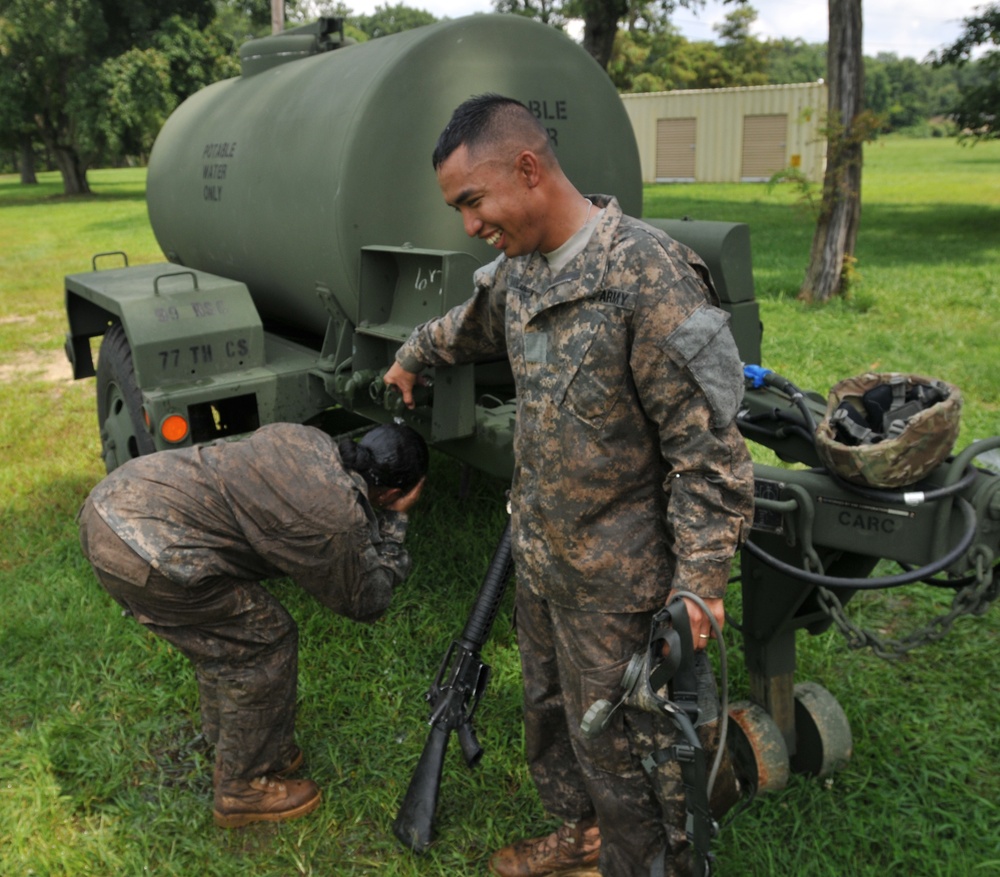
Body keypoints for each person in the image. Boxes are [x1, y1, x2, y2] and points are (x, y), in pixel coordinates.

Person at [383, 94, 755, 876]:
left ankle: (639, 859)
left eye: (472, 202)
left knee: (629, 756)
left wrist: (700, 582)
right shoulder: (519, 273)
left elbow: (711, 451)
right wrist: (414, 352)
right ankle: (580, 835)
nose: (469, 225)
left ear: (527, 168)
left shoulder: (650, 277)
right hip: (541, 559)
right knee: (548, 717)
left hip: (620, 585)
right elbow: (469, 324)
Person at [78, 421, 428, 828]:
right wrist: (395, 522)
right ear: (389, 492)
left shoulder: (308, 439)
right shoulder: (337, 518)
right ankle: (242, 788)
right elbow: (368, 601)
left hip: (113, 502)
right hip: (147, 544)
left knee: (223, 640)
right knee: (265, 642)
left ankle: (231, 744)